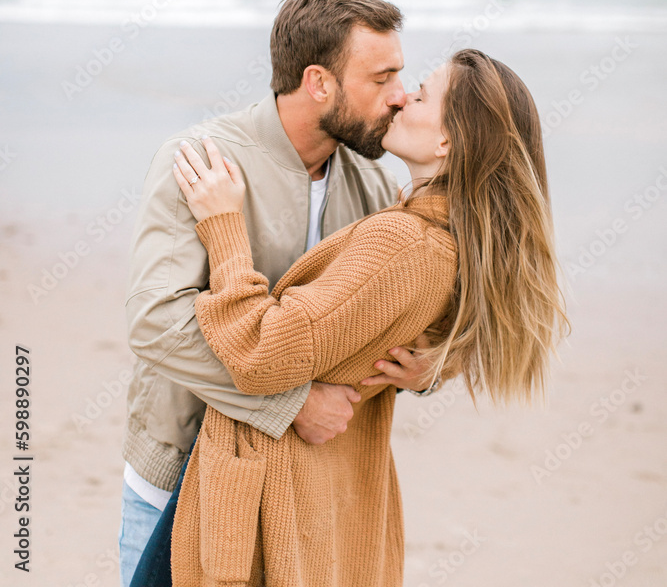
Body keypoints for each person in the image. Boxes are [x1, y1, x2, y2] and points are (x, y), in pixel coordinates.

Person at [169, 48, 570, 586]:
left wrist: (224, 227)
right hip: (339, 493)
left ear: (447, 142)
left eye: (422, 94)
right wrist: (435, 366)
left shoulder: (403, 242)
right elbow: (438, 330)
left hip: (277, 496)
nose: (402, 96)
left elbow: (262, 353)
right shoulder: (456, 242)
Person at [120, 0, 431, 587]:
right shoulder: (201, 159)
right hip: (181, 470)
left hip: (302, 489)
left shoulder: (370, 183)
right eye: (381, 78)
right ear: (319, 82)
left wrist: (429, 367)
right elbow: (157, 324)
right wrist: (292, 406)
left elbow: (389, 321)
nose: (399, 97)